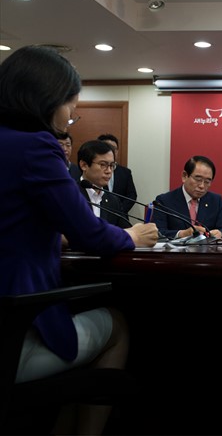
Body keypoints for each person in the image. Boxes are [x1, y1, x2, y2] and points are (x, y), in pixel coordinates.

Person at [0, 45, 158, 434]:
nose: (73, 112)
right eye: (71, 101)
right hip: (13, 335)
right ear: (46, 98)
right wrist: (131, 235)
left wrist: (51, 239)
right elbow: (90, 233)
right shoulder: (37, 146)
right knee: (117, 324)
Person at [153, 155, 222, 240]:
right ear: (184, 176)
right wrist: (182, 234)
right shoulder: (164, 201)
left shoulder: (216, 201)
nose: (202, 186)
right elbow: (157, 233)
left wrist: (221, 234)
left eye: (207, 181)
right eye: (198, 179)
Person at [76, 139, 131, 228]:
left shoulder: (113, 201)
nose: (109, 171)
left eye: (111, 165)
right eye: (103, 165)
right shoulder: (70, 194)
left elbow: (126, 230)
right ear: (84, 165)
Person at [97, 133, 138, 213]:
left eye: (114, 149)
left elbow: (132, 195)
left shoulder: (125, 172)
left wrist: (119, 211)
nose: (112, 151)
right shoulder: (95, 170)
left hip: (120, 216)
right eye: (108, 147)